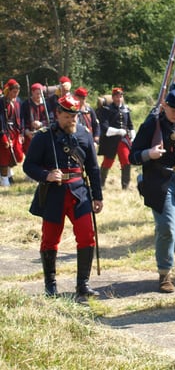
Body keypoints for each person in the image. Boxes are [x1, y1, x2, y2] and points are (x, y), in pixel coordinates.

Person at [22, 95, 103, 299]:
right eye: (67, 116)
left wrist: (97, 196)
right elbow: (28, 165)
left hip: (79, 193)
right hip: (54, 194)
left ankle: (82, 284)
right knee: (50, 239)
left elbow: (93, 168)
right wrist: (46, 175)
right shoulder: (43, 136)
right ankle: (50, 284)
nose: (72, 120)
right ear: (57, 114)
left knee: (86, 236)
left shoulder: (84, 134)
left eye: (74, 116)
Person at [129, 89, 175, 293]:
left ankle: (165, 250)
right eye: (173, 110)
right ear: (164, 106)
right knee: (168, 227)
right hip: (159, 182)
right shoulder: (152, 124)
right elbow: (132, 156)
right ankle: (164, 273)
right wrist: (149, 154)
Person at [97, 87, 135, 189]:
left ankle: (125, 186)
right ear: (113, 98)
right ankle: (101, 184)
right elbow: (104, 127)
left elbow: (130, 125)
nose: (119, 99)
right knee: (108, 162)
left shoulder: (126, 110)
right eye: (116, 97)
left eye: (120, 96)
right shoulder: (107, 110)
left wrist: (133, 137)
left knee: (126, 161)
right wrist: (117, 131)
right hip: (111, 140)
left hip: (123, 140)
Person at [0, 79, 24, 186]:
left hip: (15, 132)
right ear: (8, 91)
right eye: (14, 92)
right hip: (4, 131)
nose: (16, 94)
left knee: (18, 156)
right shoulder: (1, 102)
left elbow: (20, 118)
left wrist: (21, 132)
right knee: (5, 156)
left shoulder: (18, 101)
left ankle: (9, 173)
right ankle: (4, 179)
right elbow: (1, 121)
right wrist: (4, 137)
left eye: (17, 92)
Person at [21, 83, 51, 154]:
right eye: (37, 93)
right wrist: (26, 131)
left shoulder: (46, 104)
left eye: (40, 93)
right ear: (32, 92)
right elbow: (22, 120)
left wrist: (41, 124)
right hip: (29, 133)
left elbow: (50, 119)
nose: (39, 95)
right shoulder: (25, 104)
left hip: (43, 132)